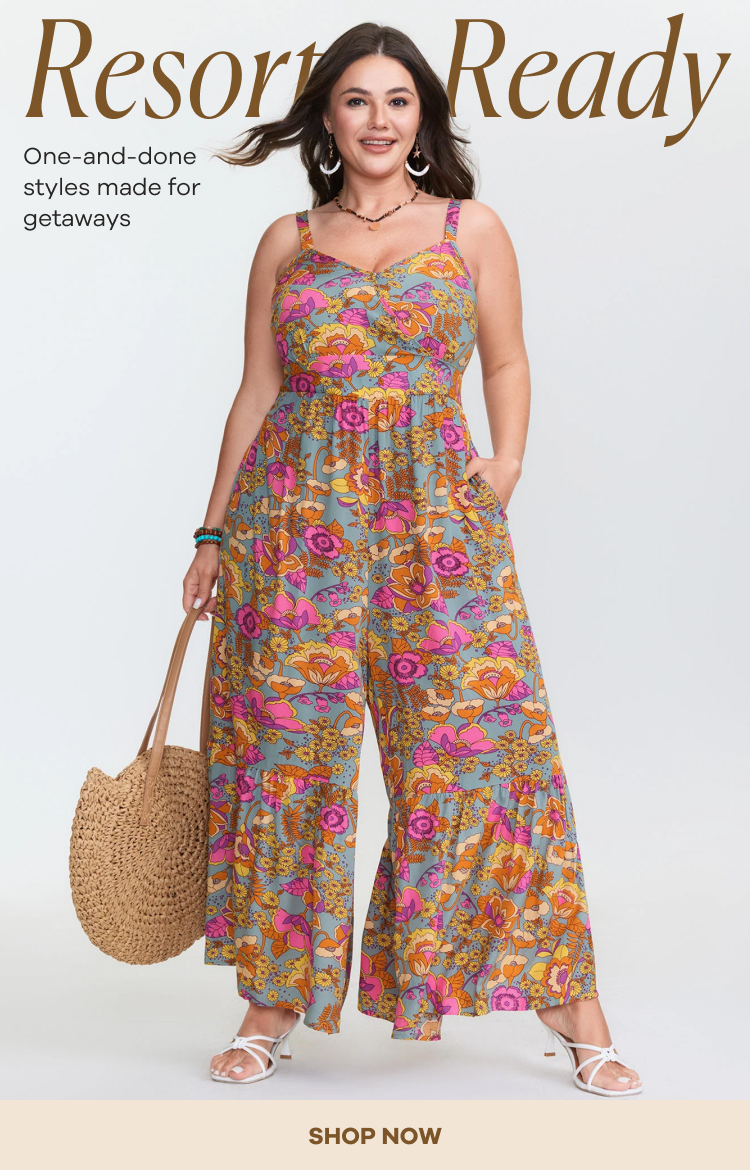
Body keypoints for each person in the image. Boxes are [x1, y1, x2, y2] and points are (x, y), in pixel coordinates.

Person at [183, 22, 642, 1096]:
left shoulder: (470, 227)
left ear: (424, 116)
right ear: (328, 119)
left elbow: (508, 356)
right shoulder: (287, 240)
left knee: (484, 748)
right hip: (294, 524)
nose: (379, 119)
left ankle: (578, 1015)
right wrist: (212, 532)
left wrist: (508, 463)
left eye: (398, 100)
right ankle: (272, 1002)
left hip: (437, 521)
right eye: (356, 100)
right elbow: (258, 392)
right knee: (290, 753)